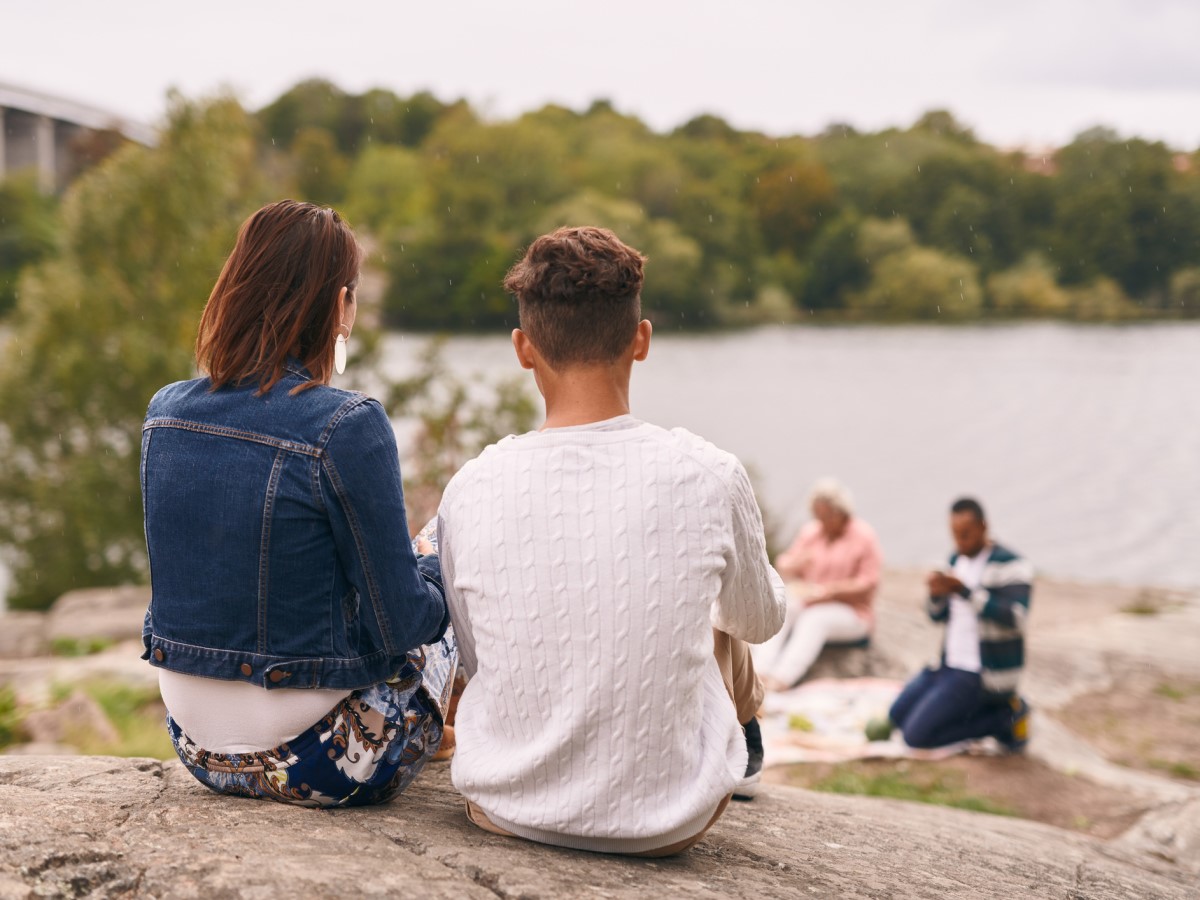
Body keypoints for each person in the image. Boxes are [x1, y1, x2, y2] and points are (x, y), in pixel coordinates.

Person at [437, 226, 787, 855]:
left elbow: (472, 654)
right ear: (642, 339)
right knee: (722, 613)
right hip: (667, 826)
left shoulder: (471, 486)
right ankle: (739, 752)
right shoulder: (708, 472)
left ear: (523, 348)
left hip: (503, 806)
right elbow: (761, 622)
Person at [140, 200, 455, 807]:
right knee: (447, 542)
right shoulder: (346, 424)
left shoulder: (164, 413)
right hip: (323, 762)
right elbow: (404, 621)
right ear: (339, 305)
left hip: (199, 750)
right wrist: (440, 570)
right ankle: (494, 740)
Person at [872, 497, 1031, 751]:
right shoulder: (956, 560)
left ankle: (1004, 720)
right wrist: (937, 594)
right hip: (947, 666)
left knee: (916, 738)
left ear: (983, 527)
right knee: (896, 717)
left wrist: (966, 591)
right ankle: (975, 714)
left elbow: (1016, 618)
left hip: (981, 673)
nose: (960, 542)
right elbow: (937, 617)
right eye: (955, 535)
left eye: (966, 535)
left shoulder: (1010, 565)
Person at [755, 479, 882, 690]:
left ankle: (781, 679)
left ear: (841, 512)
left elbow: (869, 583)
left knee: (814, 620)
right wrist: (796, 563)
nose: (822, 521)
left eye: (827, 516)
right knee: (782, 606)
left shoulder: (864, 537)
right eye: (818, 516)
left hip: (853, 611)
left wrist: (831, 591)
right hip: (811, 600)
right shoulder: (812, 532)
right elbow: (783, 564)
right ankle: (760, 671)